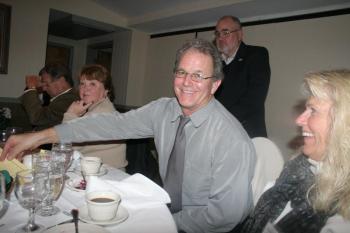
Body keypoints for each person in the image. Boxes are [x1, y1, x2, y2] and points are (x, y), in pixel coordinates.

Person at [1, 39, 256, 233]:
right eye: (181, 72)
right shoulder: (164, 110)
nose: (187, 82)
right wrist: (37, 138)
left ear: (215, 84)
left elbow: (225, 216)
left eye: (199, 75)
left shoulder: (231, 139)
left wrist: (160, 223)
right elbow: (106, 125)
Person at [238, 69, 350, 233]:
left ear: (343, 124)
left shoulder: (342, 213)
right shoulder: (299, 165)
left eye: (313, 110)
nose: (299, 120)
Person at [214, 16, 270, 138]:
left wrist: (217, 120)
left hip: (247, 134)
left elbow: (254, 99)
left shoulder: (256, 55)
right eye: (218, 34)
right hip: (217, 135)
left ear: (239, 34)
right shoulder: (214, 64)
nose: (220, 38)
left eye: (226, 32)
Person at [63, 64, 127, 169]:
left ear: (106, 91)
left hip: (108, 178)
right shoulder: (99, 109)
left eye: (92, 84)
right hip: (97, 173)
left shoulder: (101, 114)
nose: (85, 89)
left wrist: (70, 114)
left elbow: (63, 149)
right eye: (82, 83)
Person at [21, 63, 79, 131]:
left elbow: (36, 118)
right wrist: (31, 88)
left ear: (61, 81)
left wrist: (31, 87)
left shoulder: (69, 100)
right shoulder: (63, 98)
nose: (44, 89)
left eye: (46, 84)